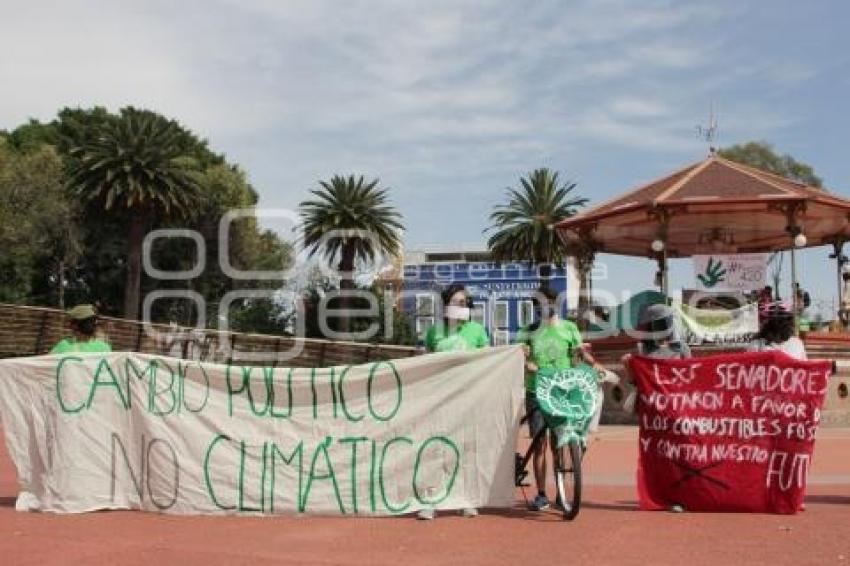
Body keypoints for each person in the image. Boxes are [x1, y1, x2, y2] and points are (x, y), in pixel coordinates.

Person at [517, 286, 604, 512]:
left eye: (551, 302)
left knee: (559, 443)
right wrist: (526, 363)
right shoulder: (528, 330)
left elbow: (579, 354)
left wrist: (593, 364)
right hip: (536, 391)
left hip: (562, 392)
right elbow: (519, 355)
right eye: (542, 304)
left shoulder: (570, 328)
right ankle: (541, 494)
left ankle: (560, 492)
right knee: (540, 444)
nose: (548, 307)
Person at [418, 283, 488, 520]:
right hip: (439, 399)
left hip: (468, 398)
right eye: (456, 302)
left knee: (466, 449)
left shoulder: (477, 331)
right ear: (446, 304)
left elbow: (489, 361)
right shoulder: (434, 331)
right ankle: (431, 500)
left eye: (464, 302)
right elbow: (425, 363)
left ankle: (466, 499)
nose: (461, 305)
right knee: (436, 449)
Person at [621, 303, 691, 513]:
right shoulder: (642, 350)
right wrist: (628, 367)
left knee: (678, 455)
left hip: (676, 411)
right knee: (657, 457)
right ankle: (660, 495)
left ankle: (680, 496)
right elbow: (635, 382)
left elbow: (692, 377)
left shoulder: (682, 348)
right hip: (652, 415)